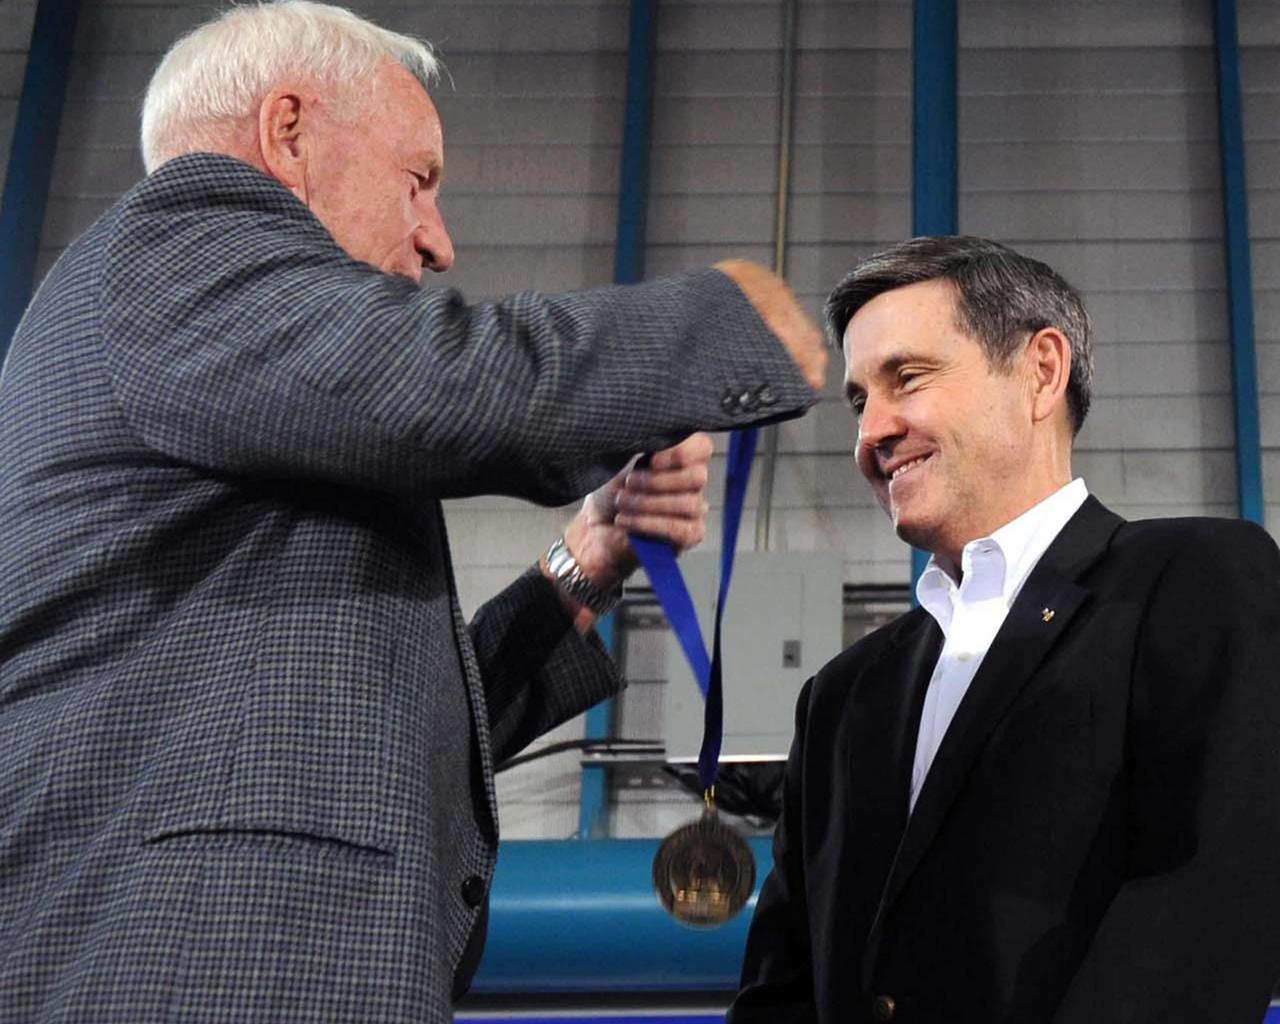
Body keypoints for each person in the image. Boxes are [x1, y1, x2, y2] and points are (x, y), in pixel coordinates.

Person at [0, 3, 828, 1021]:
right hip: (182, 968)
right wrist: (746, 321)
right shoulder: (178, 249)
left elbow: (399, 733)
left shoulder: (248, 395)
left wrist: (584, 564)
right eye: (418, 180)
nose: (437, 240)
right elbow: (458, 378)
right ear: (288, 131)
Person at [728, 235, 1280, 1024]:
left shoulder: (1191, 579)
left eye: (907, 379)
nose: (871, 433)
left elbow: (1210, 900)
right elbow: (781, 990)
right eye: (857, 402)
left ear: (1041, 372)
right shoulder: (841, 699)